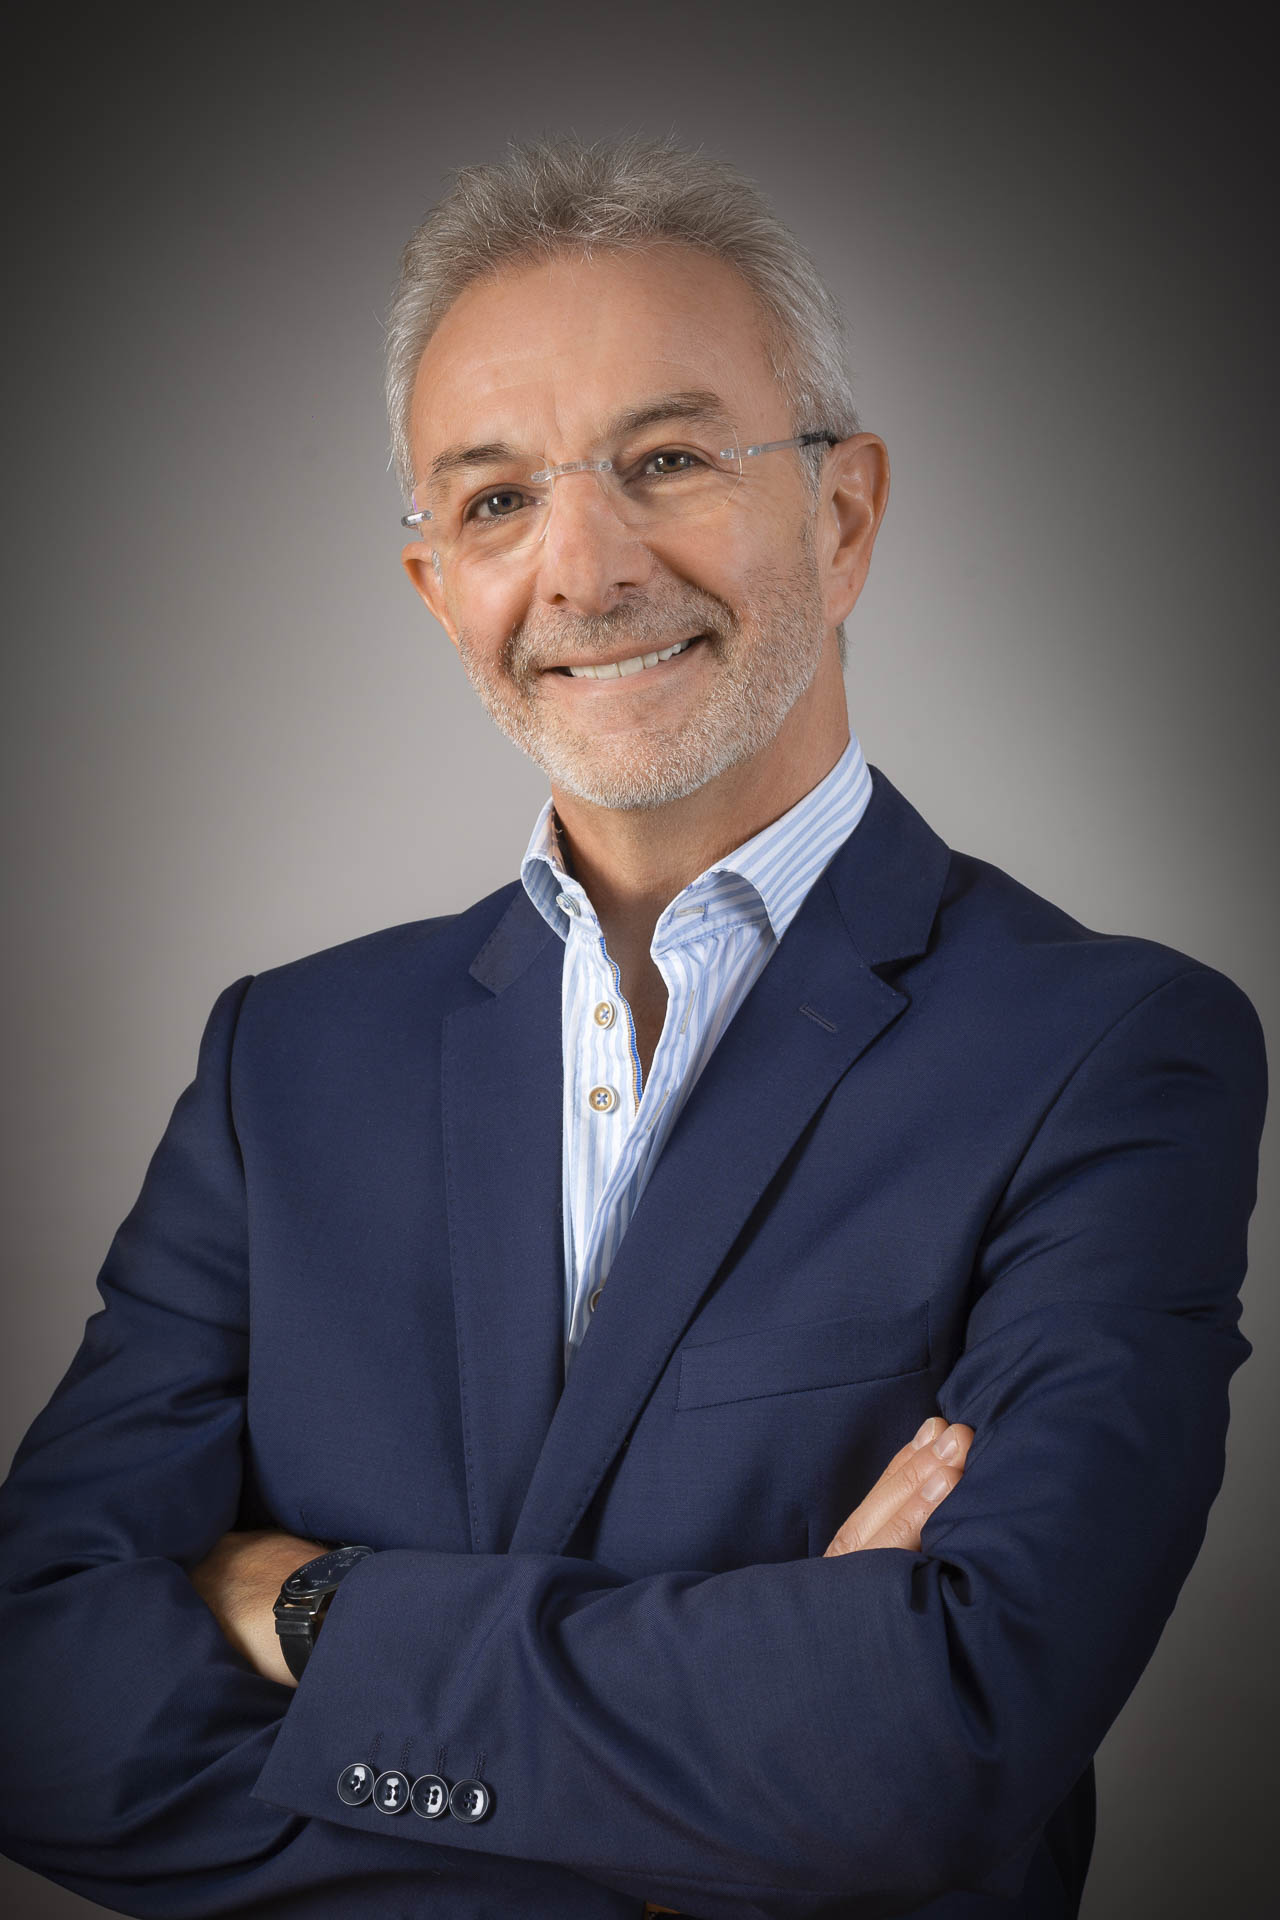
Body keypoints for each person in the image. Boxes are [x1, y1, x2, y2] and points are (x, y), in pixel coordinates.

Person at [0, 133, 1266, 1920]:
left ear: (843, 515)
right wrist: (702, 1813)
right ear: (438, 588)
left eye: (666, 461)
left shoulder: (1112, 1054)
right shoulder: (281, 1065)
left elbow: (945, 1736)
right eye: (496, 500)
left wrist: (310, 1606)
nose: (584, 569)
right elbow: (35, 1683)